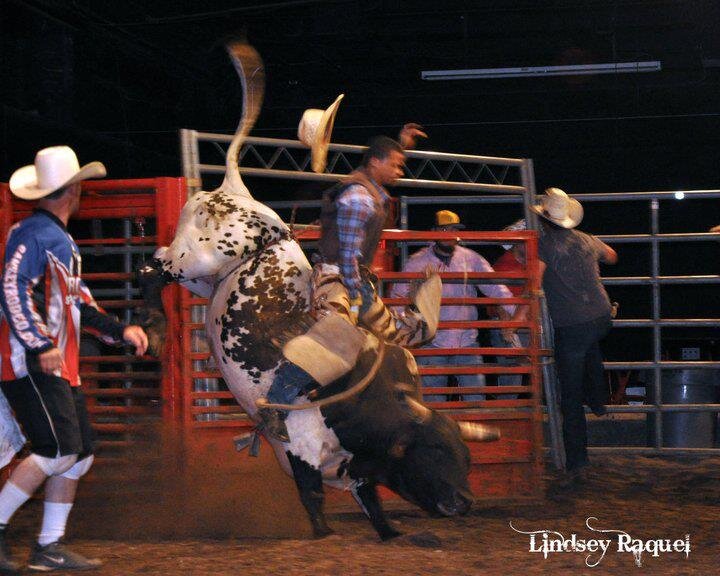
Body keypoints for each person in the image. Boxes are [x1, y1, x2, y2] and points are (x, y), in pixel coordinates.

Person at [0, 146, 148, 572]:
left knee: (78, 453)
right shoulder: (38, 235)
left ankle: (49, 546)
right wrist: (39, 345)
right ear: (74, 190)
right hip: (33, 360)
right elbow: (12, 289)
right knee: (60, 449)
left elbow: (77, 303)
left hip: (53, 363)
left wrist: (120, 331)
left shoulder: (54, 239)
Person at [256, 124, 441, 441]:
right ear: (375, 163)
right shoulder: (358, 199)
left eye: (400, 164)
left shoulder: (368, 191)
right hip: (337, 278)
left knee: (399, 334)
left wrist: (400, 144)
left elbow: (352, 252)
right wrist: (357, 293)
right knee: (334, 339)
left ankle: (384, 405)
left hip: (353, 279)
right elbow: (348, 253)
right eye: (395, 164)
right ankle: (274, 405)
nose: (399, 170)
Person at [532, 187, 617, 479]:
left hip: (571, 324)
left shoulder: (545, 246)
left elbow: (534, 281)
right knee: (590, 344)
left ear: (544, 220)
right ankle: (597, 398)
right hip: (601, 314)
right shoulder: (587, 240)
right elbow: (612, 255)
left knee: (569, 396)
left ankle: (577, 460)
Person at [390, 210, 518, 403]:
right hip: (431, 343)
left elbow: (496, 287)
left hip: (467, 341)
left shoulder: (470, 258)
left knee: (475, 399)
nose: (450, 234)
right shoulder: (417, 262)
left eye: (453, 229)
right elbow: (398, 298)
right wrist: (404, 331)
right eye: (444, 229)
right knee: (434, 403)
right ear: (433, 231)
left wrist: (518, 314)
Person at [489, 219, 528, 398]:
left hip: (522, 325)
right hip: (509, 326)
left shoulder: (524, 264)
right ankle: (508, 417)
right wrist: (510, 331)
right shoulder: (504, 266)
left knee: (515, 375)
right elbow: (500, 303)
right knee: (511, 377)